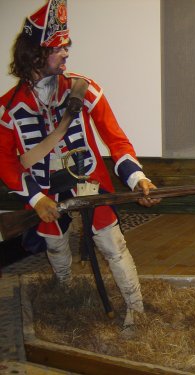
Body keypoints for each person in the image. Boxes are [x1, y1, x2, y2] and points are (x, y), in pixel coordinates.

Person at [0, 0, 160, 330]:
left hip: (87, 180)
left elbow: (116, 141)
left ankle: (136, 307)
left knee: (112, 244)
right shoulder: (8, 109)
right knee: (54, 241)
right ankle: (64, 284)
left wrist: (136, 178)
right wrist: (36, 199)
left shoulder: (84, 91)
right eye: (58, 48)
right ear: (36, 54)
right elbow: (4, 161)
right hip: (44, 189)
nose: (65, 54)